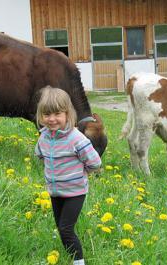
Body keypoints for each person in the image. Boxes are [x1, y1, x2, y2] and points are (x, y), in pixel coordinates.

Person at [34, 87, 102, 265]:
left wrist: (82, 172)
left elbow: (95, 162)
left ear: (67, 113)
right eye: (47, 114)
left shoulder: (76, 139)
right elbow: (40, 155)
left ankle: (79, 262)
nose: (52, 119)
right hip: (55, 192)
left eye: (57, 113)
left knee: (65, 229)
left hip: (75, 192)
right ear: (41, 116)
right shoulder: (44, 137)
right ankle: (72, 257)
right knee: (61, 227)